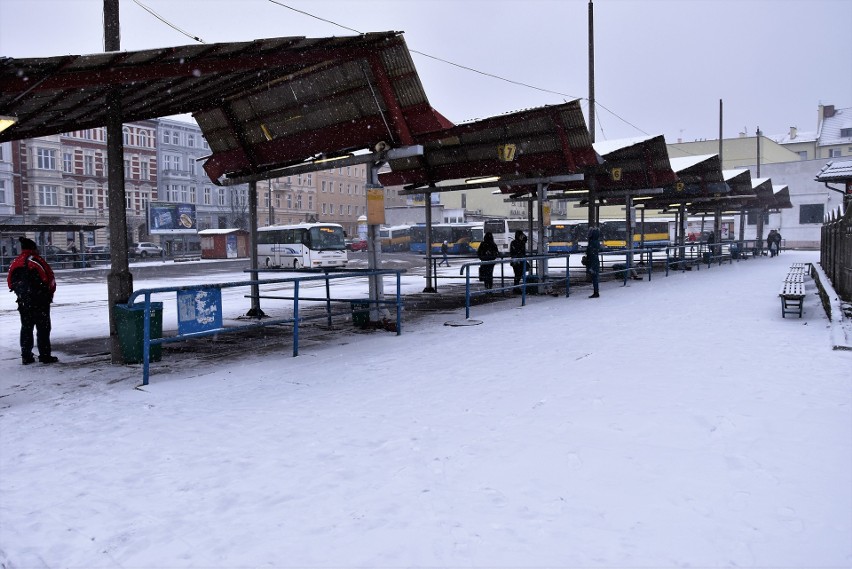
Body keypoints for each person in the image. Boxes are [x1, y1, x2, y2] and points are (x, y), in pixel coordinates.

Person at [7, 237, 58, 365]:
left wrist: (22, 293)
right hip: (40, 300)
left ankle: (26, 355)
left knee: (26, 328)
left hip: (23, 301)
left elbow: (10, 283)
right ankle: (45, 355)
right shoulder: (36, 261)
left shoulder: (16, 262)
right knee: (43, 328)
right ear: (33, 248)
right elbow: (49, 278)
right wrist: (48, 293)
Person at [585, 226, 601, 298]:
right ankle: (596, 291)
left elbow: (590, 253)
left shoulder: (592, 243)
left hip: (593, 262)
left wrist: (587, 261)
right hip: (595, 261)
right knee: (595, 277)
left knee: (594, 277)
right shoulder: (596, 242)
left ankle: (596, 292)